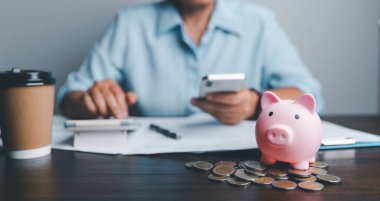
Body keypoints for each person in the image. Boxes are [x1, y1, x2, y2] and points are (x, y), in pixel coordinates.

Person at [58, 0, 323, 125]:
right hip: (146, 169)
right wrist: (89, 101)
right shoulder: (129, 23)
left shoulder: (259, 23)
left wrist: (255, 103)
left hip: (242, 166)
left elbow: (310, 96)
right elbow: (69, 98)